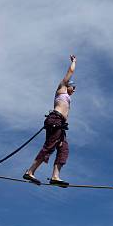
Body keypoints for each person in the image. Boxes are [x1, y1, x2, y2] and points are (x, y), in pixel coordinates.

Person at [23, 55, 77, 187]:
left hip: (61, 125)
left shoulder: (68, 98)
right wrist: (74, 62)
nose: (74, 89)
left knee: (64, 149)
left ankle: (55, 177)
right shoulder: (61, 89)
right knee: (49, 147)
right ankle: (30, 171)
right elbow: (69, 73)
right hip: (55, 120)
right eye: (73, 87)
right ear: (67, 86)